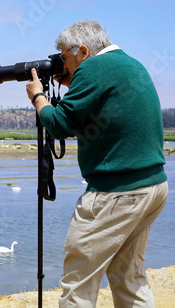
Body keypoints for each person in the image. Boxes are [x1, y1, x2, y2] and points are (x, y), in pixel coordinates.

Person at [26, 20, 168, 307]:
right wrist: (72, 82)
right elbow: (100, 110)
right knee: (129, 276)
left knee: (78, 283)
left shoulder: (92, 69)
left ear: (82, 50)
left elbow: (60, 125)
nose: (62, 65)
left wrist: (39, 98)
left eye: (65, 58)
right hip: (153, 187)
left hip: (117, 192)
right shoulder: (129, 64)